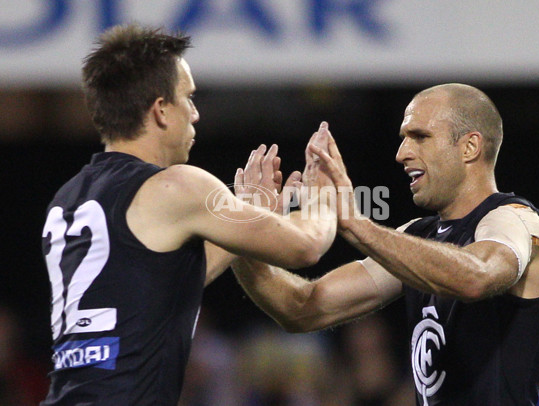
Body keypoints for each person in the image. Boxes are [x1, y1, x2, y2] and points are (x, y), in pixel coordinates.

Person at [40, 24, 337, 405]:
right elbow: (305, 247)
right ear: (161, 110)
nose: (195, 114)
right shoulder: (177, 185)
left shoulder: (68, 199)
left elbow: (162, 285)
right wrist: (329, 196)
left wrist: (251, 216)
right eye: (189, 98)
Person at [233, 83, 539, 406]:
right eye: (404, 139)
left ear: (470, 147)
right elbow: (302, 309)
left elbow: (476, 277)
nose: (402, 153)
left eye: (420, 137)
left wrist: (354, 223)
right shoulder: (418, 236)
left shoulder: (516, 220)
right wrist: (242, 235)